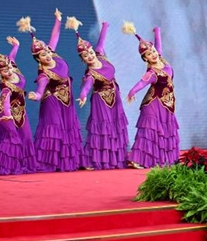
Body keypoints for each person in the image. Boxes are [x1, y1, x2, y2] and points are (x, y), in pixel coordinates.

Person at [18, 9, 89, 172]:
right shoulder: (44, 74)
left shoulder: (53, 53)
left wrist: (58, 20)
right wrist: (34, 95)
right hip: (52, 101)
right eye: (43, 54)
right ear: (38, 59)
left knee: (68, 127)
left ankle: (69, 162)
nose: (47, 54)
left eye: (47, 51)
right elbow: (40, 92)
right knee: (53, 129)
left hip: (67, 99)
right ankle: (48, 163)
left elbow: (55, 37)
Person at [66, 18, 137, 169]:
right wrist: (84, 95)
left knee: (116, 128)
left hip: (114, 97)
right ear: (83, 59)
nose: (90, 56)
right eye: (85, 56)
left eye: (90, 52)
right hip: (101, 101)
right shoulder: (91, 73)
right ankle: (95, 160)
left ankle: (116, 158)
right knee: (103, 130)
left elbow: (101, 42)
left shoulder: (100, 54)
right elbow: (86, 86)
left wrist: (105, 26)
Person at [123, 23, 180, 167]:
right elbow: (141, 83)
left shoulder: (161, 59)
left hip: (167, 104)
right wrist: (132, 92)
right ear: (145, 59)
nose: (153, 54)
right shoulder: (152, 72)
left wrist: (157, 32)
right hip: (153, 105)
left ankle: (163, 160)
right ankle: (139, 160)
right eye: (149, 54)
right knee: (149, 131)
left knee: (165, 131)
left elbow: (159, 46)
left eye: (153, 51)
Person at [0, 32, 36, 175]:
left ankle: (25, 165)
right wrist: (8, 115)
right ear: (0, 73)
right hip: (3, 112)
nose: (9, 70)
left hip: (19, 111)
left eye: (9, 67)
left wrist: (16, 46)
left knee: (27, 137)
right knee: (12, 138)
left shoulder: (12, 67)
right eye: (5, 70)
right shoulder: (6, 86)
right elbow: (5, 102)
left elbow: (11, 58)